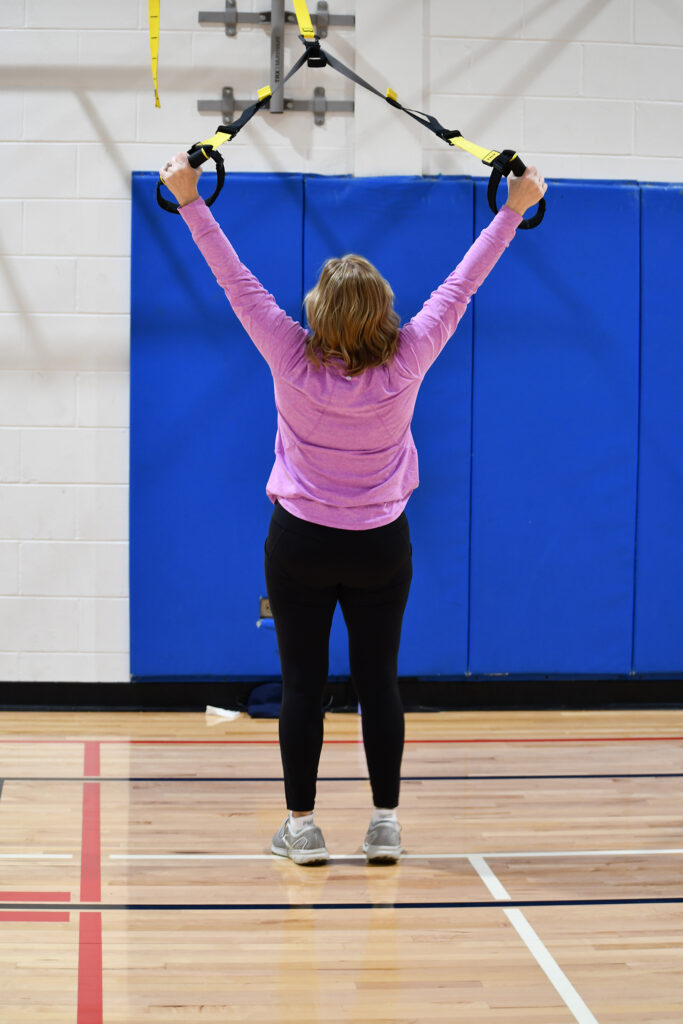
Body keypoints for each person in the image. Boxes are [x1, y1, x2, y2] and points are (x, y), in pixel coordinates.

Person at [160, 151, 547, 866]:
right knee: (379, 682)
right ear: (382, 312)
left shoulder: (289, 354)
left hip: (300, 546)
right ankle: (384, 824)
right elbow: (462, 284)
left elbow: (234, 280)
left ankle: (301, 828)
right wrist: (512, 210)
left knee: (302, 684)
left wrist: (190, 200)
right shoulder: (408, 357)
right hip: (379, 548)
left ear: (319, 312)